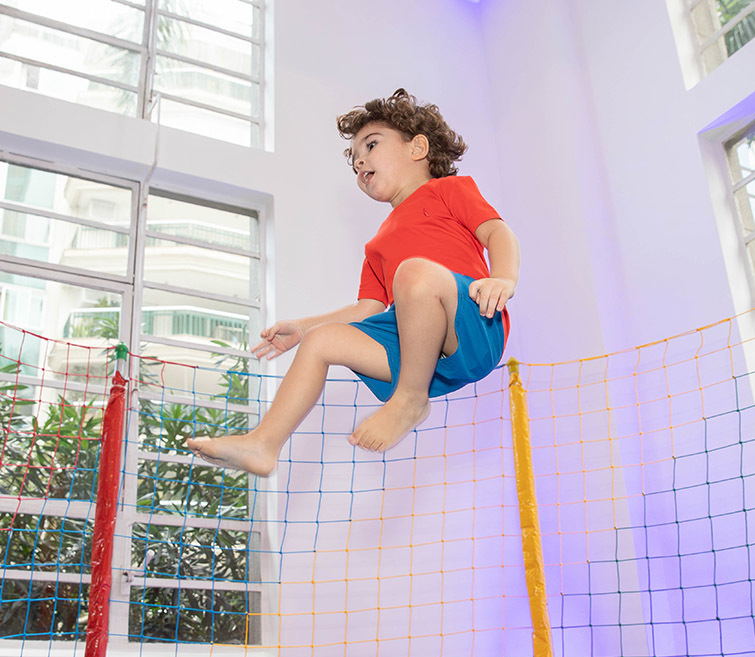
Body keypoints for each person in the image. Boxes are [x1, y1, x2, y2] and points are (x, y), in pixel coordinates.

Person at [187, 89, 520, 476]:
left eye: (371, 145)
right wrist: (303, 328)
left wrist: (502, 278)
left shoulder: (449, 191)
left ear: (418, 148)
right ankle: (264, 444)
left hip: (474, 322)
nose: (360, 160)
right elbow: (367, 310)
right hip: (422, 350)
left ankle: (409, 399)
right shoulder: (377, 244)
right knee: (323, 341)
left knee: (414, 272)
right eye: (355, 160)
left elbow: (498, 232)